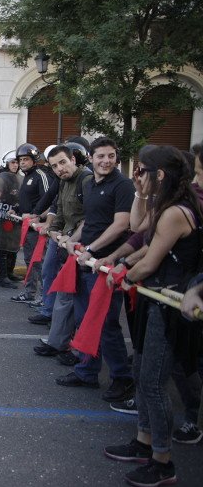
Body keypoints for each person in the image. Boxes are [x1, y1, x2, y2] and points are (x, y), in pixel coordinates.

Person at [103, 145, 203, 487]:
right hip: (153, 298)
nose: (137, 177)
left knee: (153, 384)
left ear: (159, 175)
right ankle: (143, 442)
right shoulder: (163, 204)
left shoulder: (177, 211)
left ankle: (163, 462)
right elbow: (139, 229)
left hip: (168, 304)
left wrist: (123, 274)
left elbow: (151, 260)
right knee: (141, 370)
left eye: (142, 172)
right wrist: (141, 194)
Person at [57, 136, 135, 402]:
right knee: (84, 320)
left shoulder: (123, 185)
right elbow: (89, 220)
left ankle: (122, 378)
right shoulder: (90, 184)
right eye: (100, 156)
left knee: (106, 324)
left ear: (116, 158)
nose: (106, 161)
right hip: (85, 262)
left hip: (104, 265)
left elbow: (121, 225)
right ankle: (87, 371)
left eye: (111, 156)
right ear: (90, 158)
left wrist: (91, 249)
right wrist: (74, 239)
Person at [32, 145, 91, 360]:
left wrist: (71, 239)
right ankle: (58, 343)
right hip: (67, 248)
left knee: (81, 304)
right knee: (64, 297)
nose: (59, 169)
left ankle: (79, 353)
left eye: (63, 162)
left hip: (82, 250)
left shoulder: (86, 180)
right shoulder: (64, 182)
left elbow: (90, 218)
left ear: (73, 159)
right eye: (55, 166)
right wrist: (54, 231)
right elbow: (60, 212)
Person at [11, 143, 51, 304]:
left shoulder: (41, 175)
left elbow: (49, 202)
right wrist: (17, 210)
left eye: (26, 159)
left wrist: (38, 217)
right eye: (20, 160)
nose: (22, 163)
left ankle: (43, 297)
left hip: (38, 228)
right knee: (29, 261)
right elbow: (28, 201)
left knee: (40, 262)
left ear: (35, 160)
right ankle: (29, 292)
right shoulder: (27, 177)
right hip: (27, 227)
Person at [0, 149, 23, 288]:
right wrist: (3, 212)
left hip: (15, 217)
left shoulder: (18, 177)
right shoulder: (2, 177)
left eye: (18, 162)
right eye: (13, 162)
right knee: (3, 247)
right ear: (6, 163)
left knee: (13, 246)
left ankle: (10, 273)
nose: (16, 165)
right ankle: (1, 277)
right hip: (3, 218)